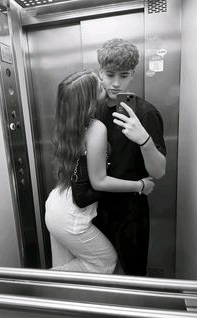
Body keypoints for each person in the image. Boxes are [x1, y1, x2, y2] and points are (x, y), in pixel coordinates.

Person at [45, 70, 154, 274]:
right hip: (71, 216)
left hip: (56, 205)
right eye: (99, 85)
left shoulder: (68, 123)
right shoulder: (96, 128)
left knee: (67, 266)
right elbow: (99, 182)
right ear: (88, 98)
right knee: (105, 262)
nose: (106, 85)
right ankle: (43, 284)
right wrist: (140, 185)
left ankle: (58, 295)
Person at [94, 38, 167, 276]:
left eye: (123, 75)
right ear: (100, 73)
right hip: (97, 207)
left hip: (131, 214)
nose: (116, 83)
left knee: (134, 273)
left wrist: (143, 139)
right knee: (103, 270)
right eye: (110, 75)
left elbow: (159, 172)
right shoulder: (95, 110)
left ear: (132, 74)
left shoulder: (146, 113)